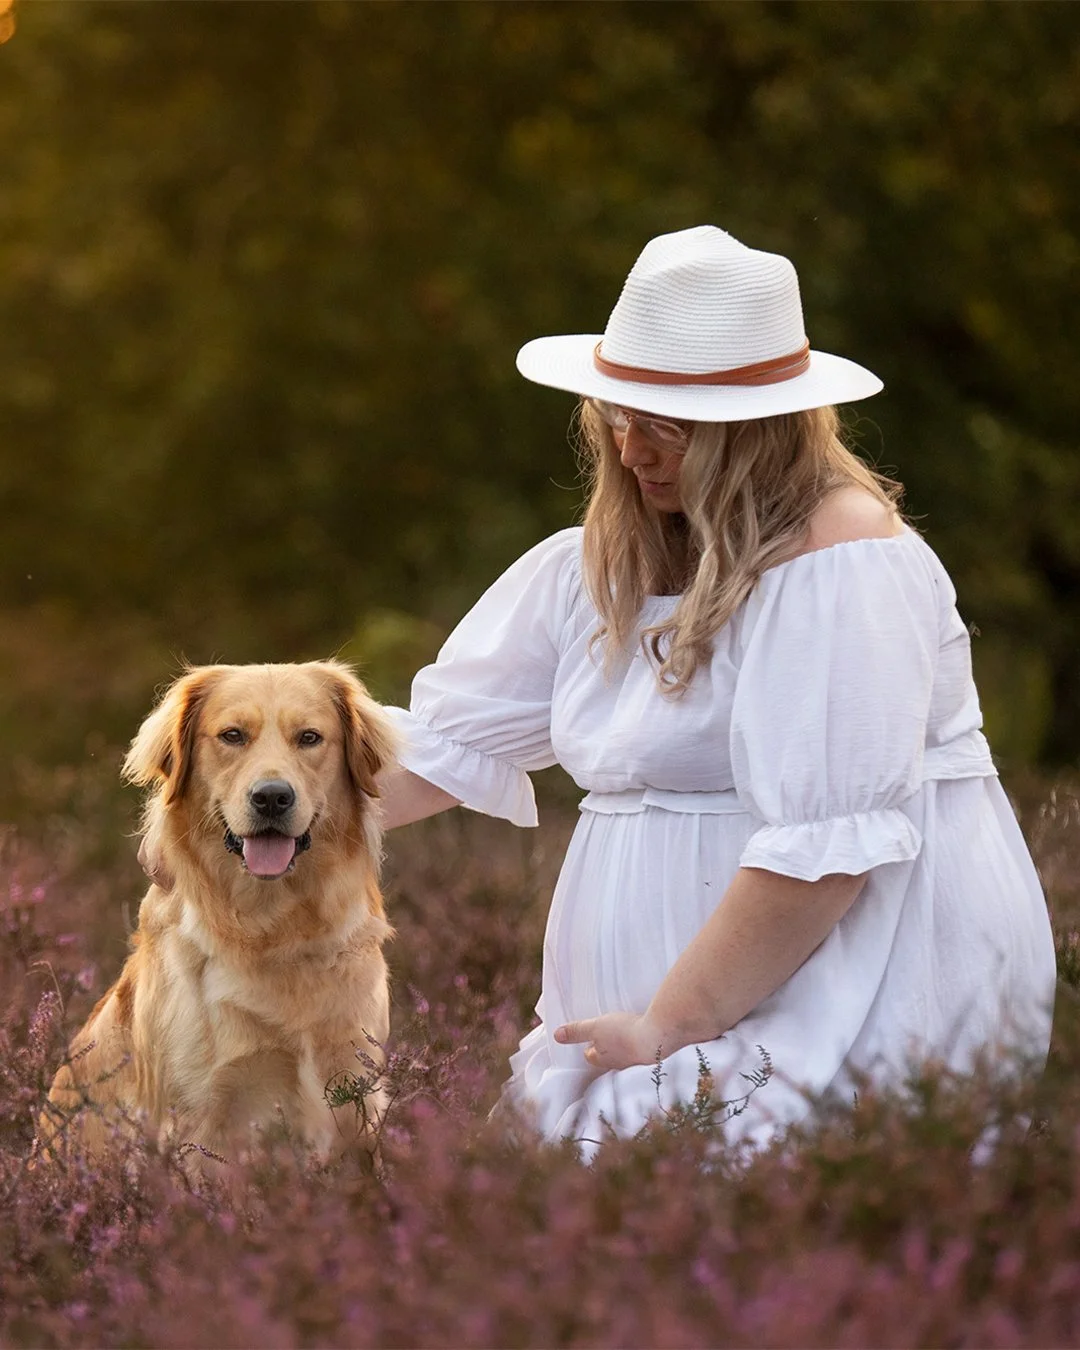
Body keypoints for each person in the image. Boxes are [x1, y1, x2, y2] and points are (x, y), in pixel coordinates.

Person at [379, 225, 1056, 1156]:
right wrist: (237, 825)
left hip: (843, 976)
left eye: (667, 426)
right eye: (617, 414)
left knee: (796, 1220)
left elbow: (825, 858)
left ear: (757, 432)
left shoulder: (842, 559)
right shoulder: (596, 566)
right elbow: (442, 754)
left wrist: (670, 1023)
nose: (631, 448)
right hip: (663, 1014)